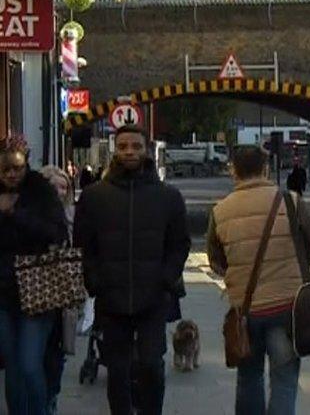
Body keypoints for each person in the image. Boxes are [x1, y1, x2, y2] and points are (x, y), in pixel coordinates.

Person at [73, 125, 190, 415]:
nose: (129, 152)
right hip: (111, 297)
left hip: (153, 297)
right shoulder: (94, 196)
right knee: (117, 369)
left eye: (136, 147)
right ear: (115, 149)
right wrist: (94, 280)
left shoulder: (168, 197)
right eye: (123, 146)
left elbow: (179, 244)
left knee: (152, 364)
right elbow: (83, 245)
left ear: (146, 150)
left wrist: (166, 277)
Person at [207, 145, 310, 415]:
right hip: (287, 308)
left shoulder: (220, 212)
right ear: (266, 169)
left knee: (248, 378)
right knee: (284, 381)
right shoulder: (291, 202)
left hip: (246, 313)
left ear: (233, 170)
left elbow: (215, 263)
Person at [0, 136, 68, 415]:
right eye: (5, 169)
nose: (11, 174)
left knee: (29, 364)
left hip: (37, 289)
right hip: (2, 294)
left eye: (17, 168)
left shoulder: (40, 192)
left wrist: (14, 213)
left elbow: (55, 233)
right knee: (13, 367)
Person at [39, 166, 76, 415]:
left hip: (63, 295)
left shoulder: (74, 216)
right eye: (53, 186)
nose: (59, 191)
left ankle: (51, 395)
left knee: (56, 351)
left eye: (63, 186)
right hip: (33, 291)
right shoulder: (29, 212)